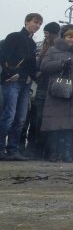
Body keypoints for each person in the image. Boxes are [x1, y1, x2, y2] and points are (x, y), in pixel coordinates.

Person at [40, 25, 73, 162]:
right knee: (55, 124)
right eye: (69, 36)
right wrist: (61, 64)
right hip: (57, 90)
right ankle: (53, 153)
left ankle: (67, 153)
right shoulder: (52, 49)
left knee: (70, 124)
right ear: (63, 37)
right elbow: (44, 66)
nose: (72, 40)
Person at [0, 13, 43, 161]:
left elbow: (30, 66)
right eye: (35, 22)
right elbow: (4, 57)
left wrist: (32, 76)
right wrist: (10, 73)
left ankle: (12, 149)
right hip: (12, 82)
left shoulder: (31, 43)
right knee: (9, 116)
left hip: (25, 83)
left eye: (39, 24)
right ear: (26, 22)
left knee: (20, 118)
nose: (37, 26)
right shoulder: (14, 37)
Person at [26, 21, 59, 160]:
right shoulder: (45, 45)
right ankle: (36, 149)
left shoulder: (55, 48)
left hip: (48, 86)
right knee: (37, 118)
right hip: (43, 86)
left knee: (42, 119)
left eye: (47, 33)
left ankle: (40, 149)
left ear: (53, 34)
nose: (45, 36)